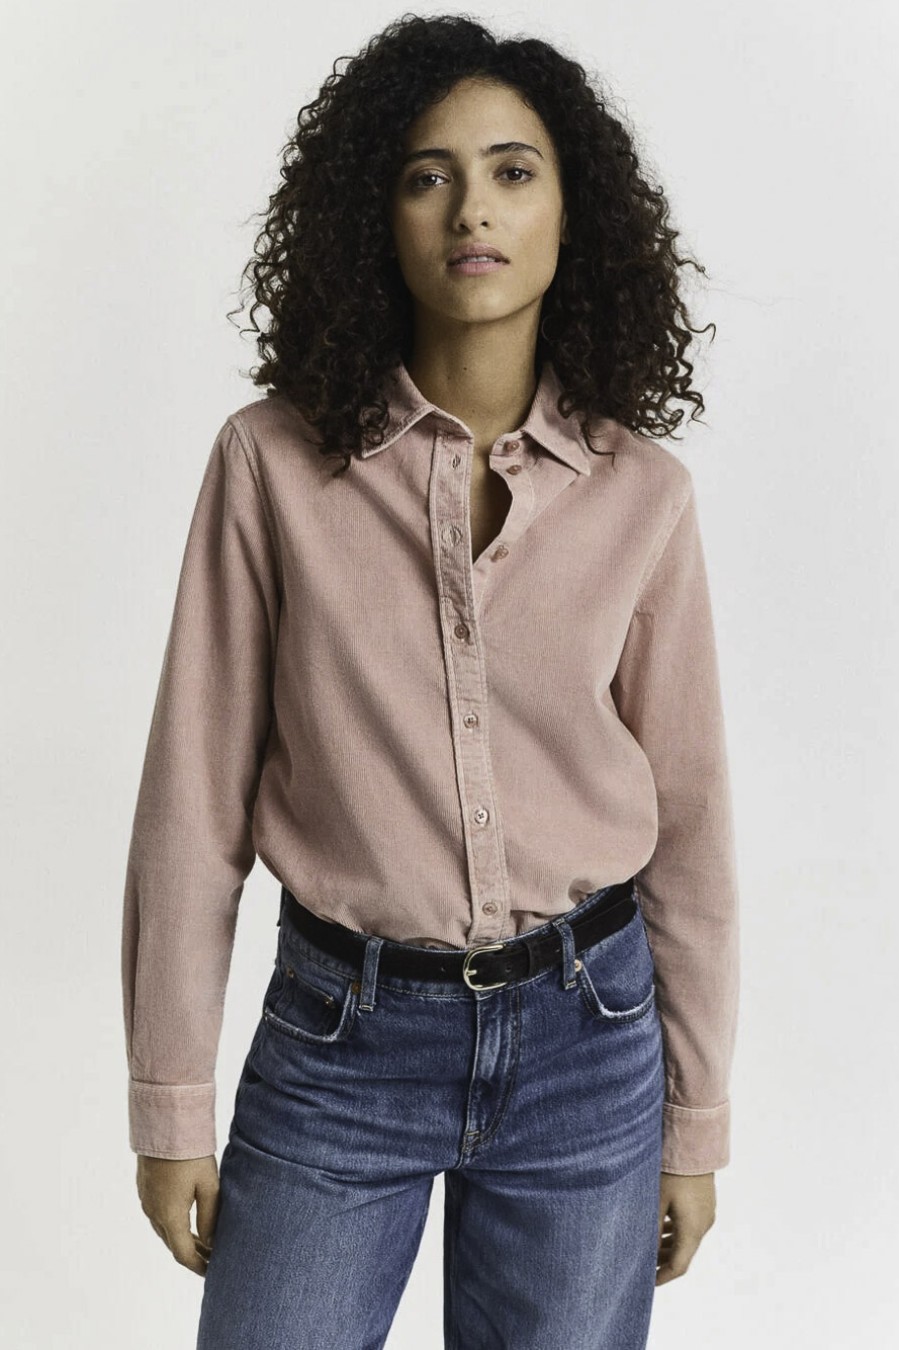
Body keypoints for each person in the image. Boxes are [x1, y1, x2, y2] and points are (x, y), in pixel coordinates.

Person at [121, 13, 740, 1349]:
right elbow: (191, 803)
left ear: (574, 213)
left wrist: (695, 1119)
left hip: (592, 1037)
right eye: (427, 175)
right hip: (341, 1039)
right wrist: (170, 1104)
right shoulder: (270, 466)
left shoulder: (645, 495)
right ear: (376, 217)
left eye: (514, 171)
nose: (473, 209)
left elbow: (689, 824)